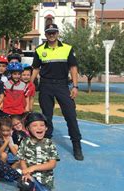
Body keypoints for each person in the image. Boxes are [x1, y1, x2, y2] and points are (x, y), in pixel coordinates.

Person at [31, 23, 83, 161]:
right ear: (45, 34)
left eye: (54, 32)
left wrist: (75, 86)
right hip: (46, 85)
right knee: (46, 118)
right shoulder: (39, 49)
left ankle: (77, 145)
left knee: (71, 115)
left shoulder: (67, 48)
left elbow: (73, 68)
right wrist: (30, 85)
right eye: (49, 33)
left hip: (62, 85)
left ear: (58, 33)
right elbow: (35, 69)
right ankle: (46, 146)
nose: (52, 35)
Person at [15, 112, 59, 191]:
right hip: (31, 177)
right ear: (28, 128)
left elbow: (52, 164)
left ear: (46, 127)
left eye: (41, 125)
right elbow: (22, 159)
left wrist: (33, 168)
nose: (39, 128)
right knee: (26, 184)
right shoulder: (25, 142)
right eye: (34, 125)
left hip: (45, 181)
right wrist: (26, 172)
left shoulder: (49, 144)